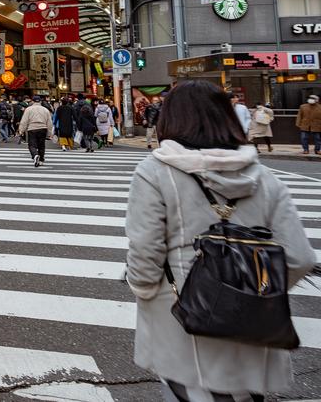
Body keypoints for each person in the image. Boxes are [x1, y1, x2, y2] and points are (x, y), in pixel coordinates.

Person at [124, 80, 315, 402]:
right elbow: (300, 258)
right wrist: (252, 290)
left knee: (192, 391)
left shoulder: (155, 172)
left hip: (182, 311)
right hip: (254, 317)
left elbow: (145, 249)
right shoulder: (265, 178)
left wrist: (145, 290)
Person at [18, 96, 53, 167]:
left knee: (32, 145)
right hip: (43, 128)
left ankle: (35, 155)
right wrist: (50, 133)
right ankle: (41, 160)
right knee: (41, 145)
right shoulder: (45, 110)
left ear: (32, 101)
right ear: (40, 101)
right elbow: (49, 122)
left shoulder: (28, 109)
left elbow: (24, 121)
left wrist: (21, 130)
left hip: (32, 128)